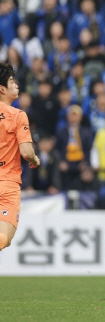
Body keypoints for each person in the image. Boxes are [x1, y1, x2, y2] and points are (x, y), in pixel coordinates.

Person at [0, 62, 40, 252]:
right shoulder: (17, 115)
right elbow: (26, 152)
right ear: (2, 89)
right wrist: (35, 159)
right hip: (6, 183)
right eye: (11, 81)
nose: (16, 85)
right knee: (4, 238)